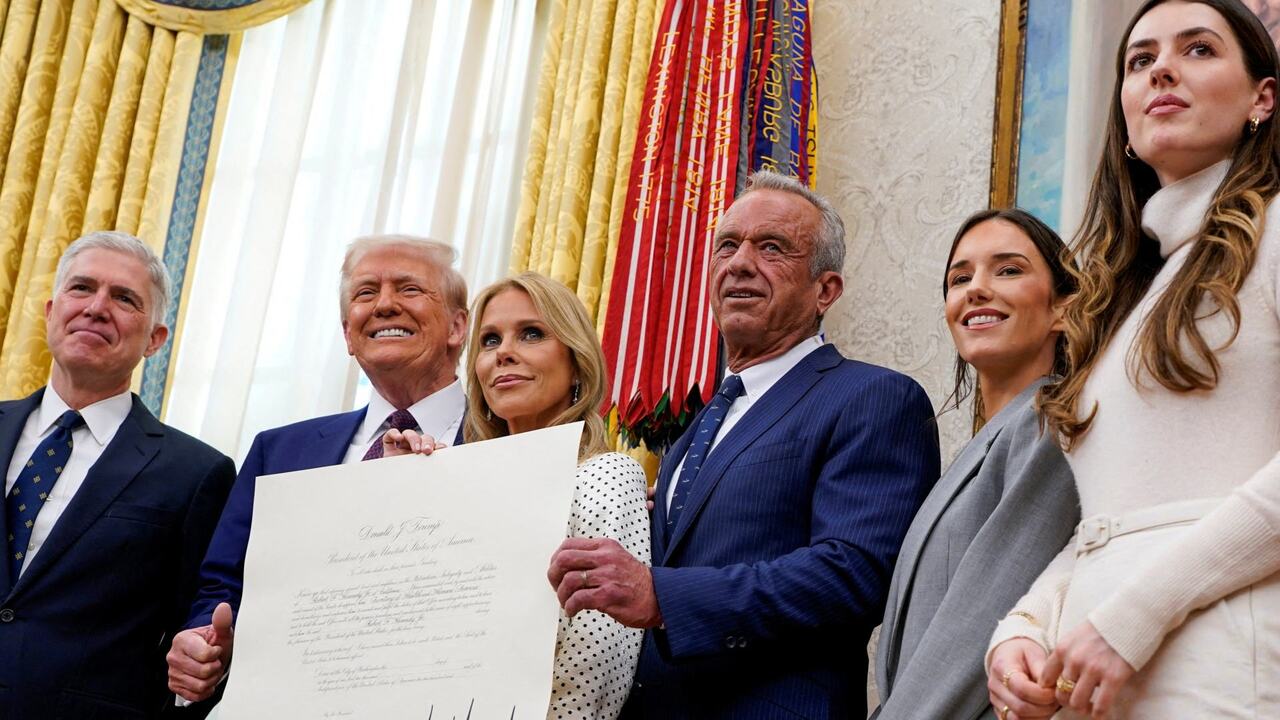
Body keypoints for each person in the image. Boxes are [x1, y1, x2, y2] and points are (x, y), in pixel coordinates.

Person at [547, 170, 942, 718]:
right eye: (727, 245)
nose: (739, 263)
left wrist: (662, 595)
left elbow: (854, 575)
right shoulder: (697, 429)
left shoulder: (874, 397)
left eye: (772, 247)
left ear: (825, 289)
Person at [987, 1, 1280, 717]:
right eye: (1140, 60)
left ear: (1262, 100)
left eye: (1199, 50)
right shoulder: (1127, 299)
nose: (1163, 71)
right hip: (1094, 684)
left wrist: (1134, 616)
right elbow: (1112, 520)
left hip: (1224, 674)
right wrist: (1024, 625)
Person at [166, 235, 469, 703]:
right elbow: (222, 586)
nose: (385, 304)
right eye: (366, 294)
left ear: (457, 326)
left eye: (409, 289)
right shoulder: (279, 451)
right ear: (348, 334)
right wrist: (204, 641)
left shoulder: (508, 442)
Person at [385, 271, 649, 720]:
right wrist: (399, 498)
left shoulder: (607, 474)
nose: (504, 352)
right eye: (489, 341)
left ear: (576, 363)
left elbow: (595, 672)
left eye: (531, 334)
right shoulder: (451, 482)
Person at [0, 232, 235, 717]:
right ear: (50, 312)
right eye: (81, 288)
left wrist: (204, 658)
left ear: (154, 339)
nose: (96, 307)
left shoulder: (198, 473)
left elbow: (197, 629)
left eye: (124, 298)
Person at [872, 209, 1079, 720]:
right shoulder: (993, 439)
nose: (976, 289)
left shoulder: (1048, 423)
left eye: (1008, 270)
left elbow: (977, 625)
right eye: (960, 278)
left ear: (1063, 309)